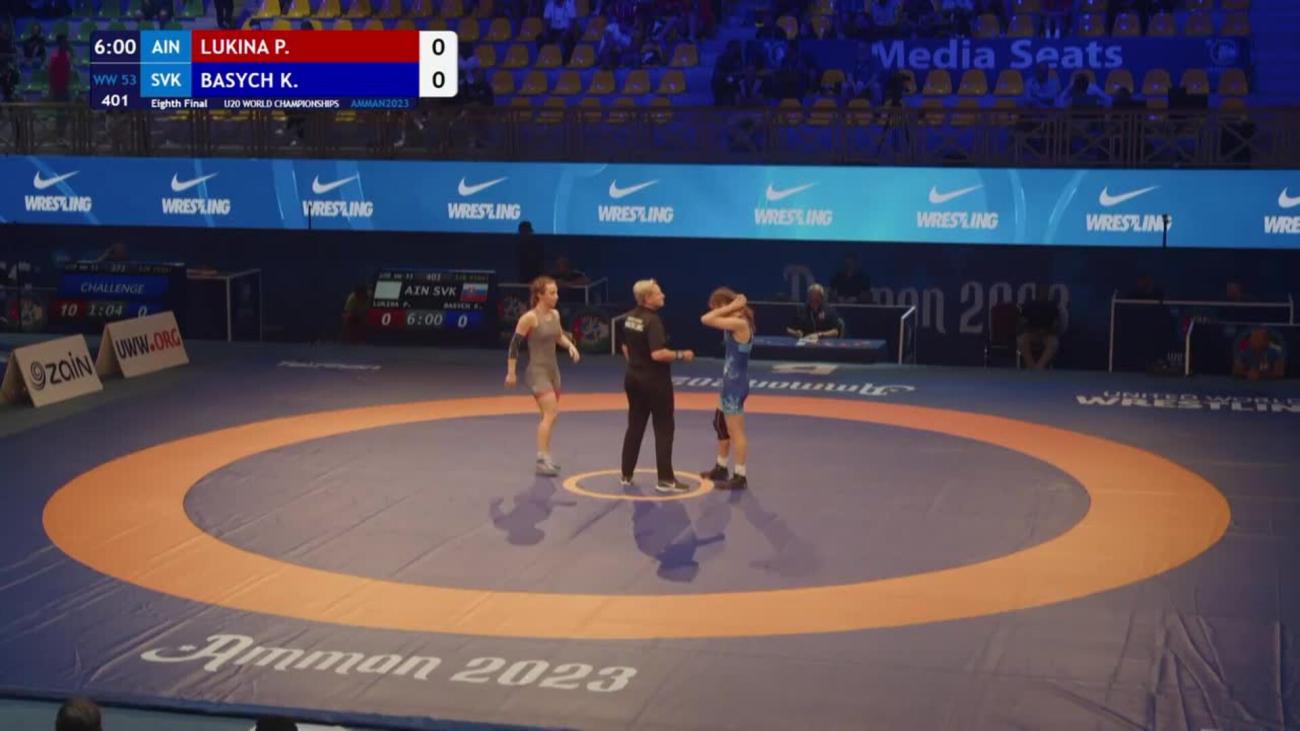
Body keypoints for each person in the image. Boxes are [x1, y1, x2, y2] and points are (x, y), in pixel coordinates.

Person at [620, 279, 693, 493]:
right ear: (648, 298)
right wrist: (682, 355)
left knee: (635, 424)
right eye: (659, 293)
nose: (663, 296)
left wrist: (637, 365)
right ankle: (666, 479)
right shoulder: (653, 321)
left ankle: (626, 474)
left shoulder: (629, 318)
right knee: (664, 428)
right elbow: (658, 354)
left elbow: (625, 347)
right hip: (655, 382)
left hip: (633, 378)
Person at [506, 276, 581, 476]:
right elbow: (514, 344)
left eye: (556, 292)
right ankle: (541, 460)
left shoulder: (555, 314)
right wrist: (511, 372)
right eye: (552, 293)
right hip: (537, 372)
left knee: (548, 416)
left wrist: (571, 346)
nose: (556, 296)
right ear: (540, 295)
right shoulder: (529, 318)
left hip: (553, 371)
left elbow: (559, 336)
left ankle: (546, 456)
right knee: (551, 414)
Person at [699, 287, 753, 490]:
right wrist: (732, 307)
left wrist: (732, 306)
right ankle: (721, 467)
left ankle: (740, 475)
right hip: (730, 382)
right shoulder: (734, 320)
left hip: (735, 386)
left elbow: (706, 319)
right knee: (720, 424)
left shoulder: (740, 323)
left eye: (717, 307)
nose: (716, 311)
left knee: (736, 431)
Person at [1017, 284, 1060, 369]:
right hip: (1031, 334)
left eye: (1045, 292)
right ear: (1036, 293)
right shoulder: (1029, 305)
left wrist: (1047, 331)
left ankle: (1039, 367)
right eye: (1041, 292)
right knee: (1021, 340)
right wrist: (1031, 330)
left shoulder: (1053, 306)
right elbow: (1022, 322)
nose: (1043, 294)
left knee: (1054, 343)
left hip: (1047, 335)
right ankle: (1031, 366)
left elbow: (1056, 324)